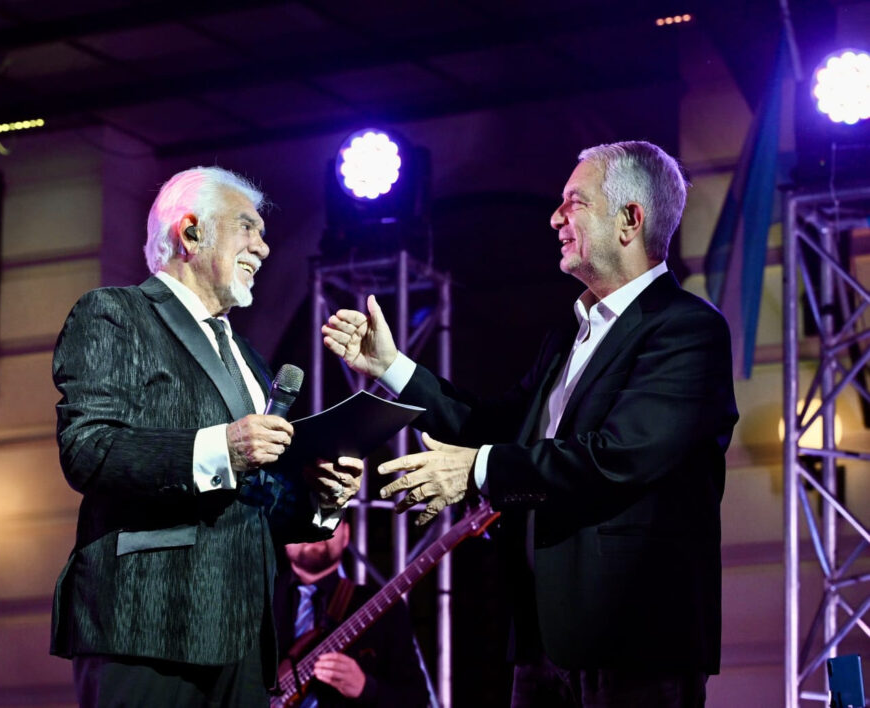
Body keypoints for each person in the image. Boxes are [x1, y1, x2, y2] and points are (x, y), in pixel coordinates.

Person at [321, 141, 738, 706]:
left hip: (635, 642)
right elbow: (494, 425)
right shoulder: (567, 337)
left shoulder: (687, 329)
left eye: (573, 202)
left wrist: (476, 470)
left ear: (630, 220)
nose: (554, 217)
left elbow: (618, 456)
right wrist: (390, 366)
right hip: (542, 643)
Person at [51, 166, 364, 708]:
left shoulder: (250, 359)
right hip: (149, 624)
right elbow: (89, 449)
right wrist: (224, 447)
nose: (264, 249)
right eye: (248, 229)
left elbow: (260, 501)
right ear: (190, 233)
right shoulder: (115, 314)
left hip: (246, 642)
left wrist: (322, 499)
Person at [274, 522, 431, 707]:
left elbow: (417, 701)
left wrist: (366, 688)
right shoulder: (247, 604)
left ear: (346, 534)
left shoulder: (386, 608)